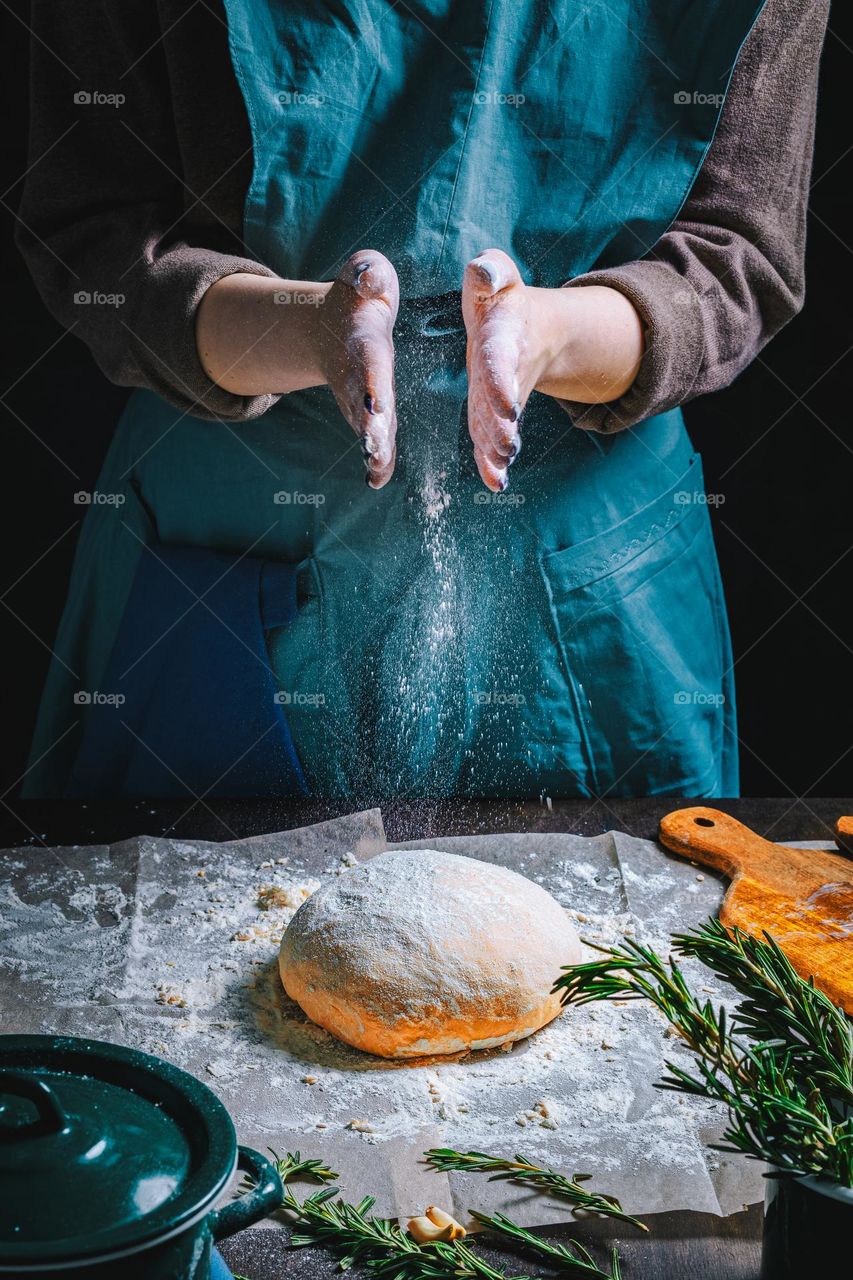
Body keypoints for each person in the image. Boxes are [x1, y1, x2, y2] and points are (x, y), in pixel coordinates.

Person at [17, 0, 828, 800]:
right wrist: (307, 330)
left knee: (613, 923)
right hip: (231, 519)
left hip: (583, 550)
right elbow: (96, 229)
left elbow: (737, 252)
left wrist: (543, 333)